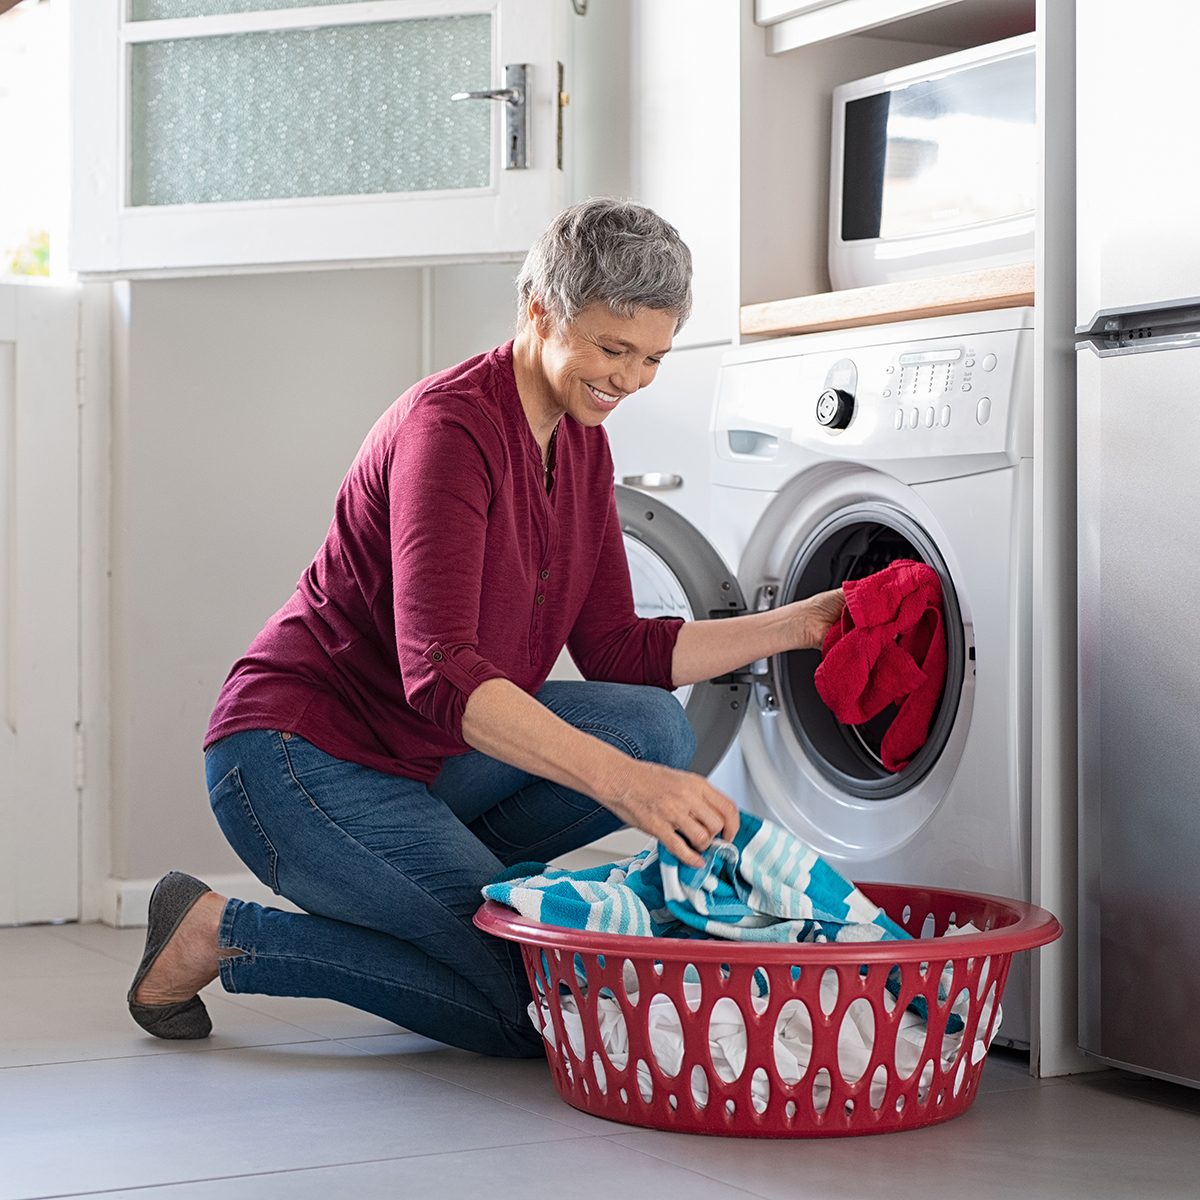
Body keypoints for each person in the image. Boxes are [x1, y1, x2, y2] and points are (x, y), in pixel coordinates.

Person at [125, 198, 845, 1055]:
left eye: (653, 356)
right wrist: (622, 787)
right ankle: (221, 932)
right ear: (540, 312)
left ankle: (440, 896)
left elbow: (619, 648)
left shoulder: (582, 445)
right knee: (538, 1008)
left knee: (653, 727)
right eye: (612, 349)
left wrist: (801, 625)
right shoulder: (449, 429)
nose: (630, 378)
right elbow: (441, 672)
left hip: (424, 763)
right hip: (297, 759)